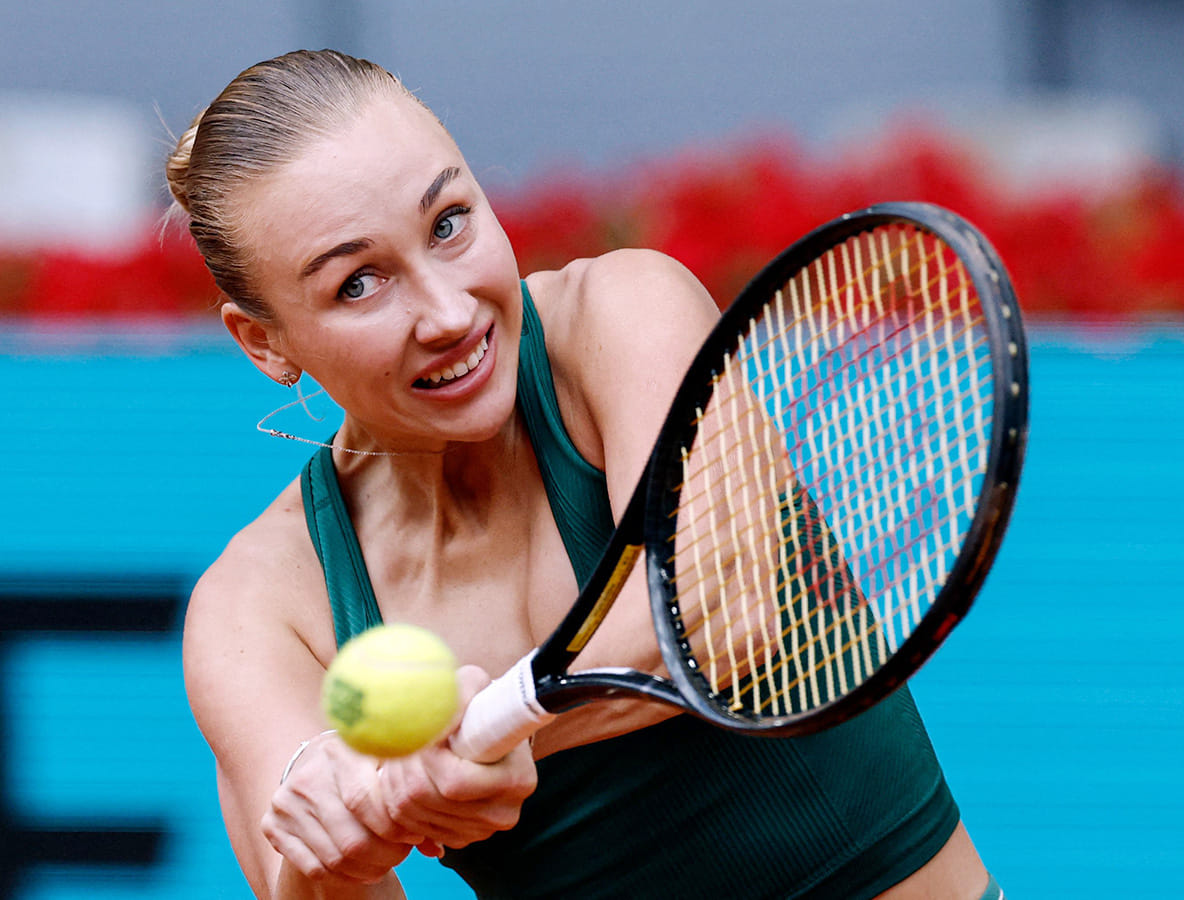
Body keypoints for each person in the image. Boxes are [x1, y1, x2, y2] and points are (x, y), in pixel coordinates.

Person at [173, 49, 1003, 900]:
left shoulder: (623, 313)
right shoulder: (257, 608)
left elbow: (716, 620)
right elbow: (304, 861)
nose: (452, 313)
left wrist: (472, 744)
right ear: (264, 342)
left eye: (449, 222)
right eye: (359, 283)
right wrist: (338, 836)